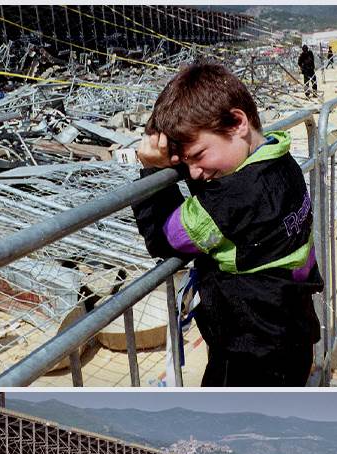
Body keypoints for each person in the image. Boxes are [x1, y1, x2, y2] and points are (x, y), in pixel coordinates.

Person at [133, 60, 323, 386]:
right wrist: (192, 159)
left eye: (199, 155)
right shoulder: (280, 159)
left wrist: (153, 172)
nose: (194, 172)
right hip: (293, 334)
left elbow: (164, 238)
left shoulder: (231, 200)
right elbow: (220, 191)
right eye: (185, 163)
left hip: (248, 353)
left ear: (237, 122)